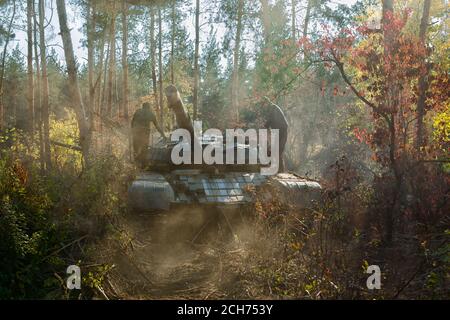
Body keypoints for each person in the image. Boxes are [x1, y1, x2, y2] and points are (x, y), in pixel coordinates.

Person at [261, 97, 288, 172]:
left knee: (278, 151)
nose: (264, 106)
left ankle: (280, 171)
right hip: (278, 132)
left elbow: (270, 120)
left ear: (267, 102)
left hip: (282, 131)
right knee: (276, 151)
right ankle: (278, 170)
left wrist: (265, 125)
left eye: (264, 104)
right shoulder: (271, 109)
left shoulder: (273, 108)